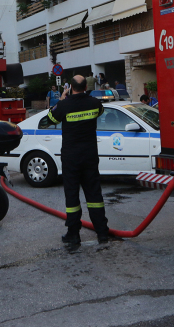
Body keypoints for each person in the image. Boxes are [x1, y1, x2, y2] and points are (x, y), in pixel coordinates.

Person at [46, 75, 112, 245]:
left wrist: (61, 100)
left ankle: (73, 234)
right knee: (94, 194)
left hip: (71, 157)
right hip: (90, 156)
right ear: (85, 87)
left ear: (70, 87)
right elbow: (100, 112)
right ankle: (102, 233)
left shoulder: (64, 105)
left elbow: (50, 119)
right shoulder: (95, 103)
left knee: (72, 196)